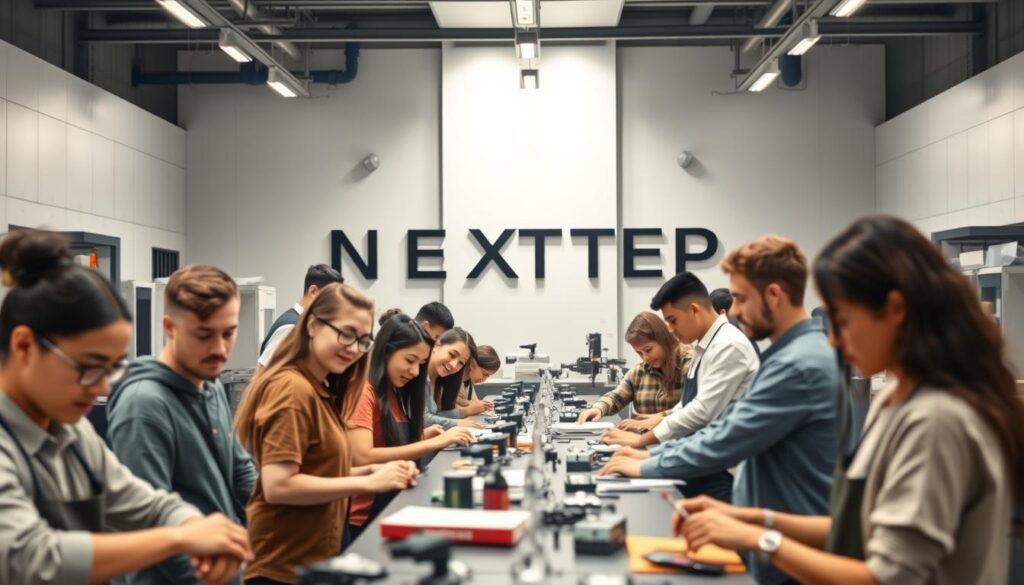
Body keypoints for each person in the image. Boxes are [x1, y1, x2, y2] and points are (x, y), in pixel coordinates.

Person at [672, 217, 1024, 585]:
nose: (835, 341)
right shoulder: (895, 397)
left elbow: (885, 577)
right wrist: (750, 519)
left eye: (843, 321)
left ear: (895, 309)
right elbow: (862, 528)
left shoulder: (937, 419)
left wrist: (761, 539)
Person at [0, 231, 252, 585]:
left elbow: (145, 502)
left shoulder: (70, 432)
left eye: (113, 368)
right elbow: (30, 559)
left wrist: (194, 526)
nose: (104, 387)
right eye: (90, 366)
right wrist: (179, 539)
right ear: (25, 346)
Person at [599, 235, 839, 585]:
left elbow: (723, 435)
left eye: (740, 298)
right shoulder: (789, 355)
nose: (734, 310)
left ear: (774, 294)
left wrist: (647, 462)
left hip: (791, 550)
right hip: (776, 529)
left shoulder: (797, 364)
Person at [234, 283, 419, 584]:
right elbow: (279, 485)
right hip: (283, 569)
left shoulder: (320, 388)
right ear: (312, 325)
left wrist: (371, 469)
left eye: (363, 341)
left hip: (314, 560)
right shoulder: (291, 389)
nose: (354, 348)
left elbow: (315, 466)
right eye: (346, 334)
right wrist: (368, 481)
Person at [108, 265, 258, 585]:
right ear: (169, 328)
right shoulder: (144, 407)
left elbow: (241, 472)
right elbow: (147, 525)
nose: (219, 349)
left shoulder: (210, 383)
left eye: (228, 333)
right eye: (203, 335)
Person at [600, 274, 759, 502]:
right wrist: (650, 452)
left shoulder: (728, 346)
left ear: (694, 310)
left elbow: (701, 412)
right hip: (700, 459)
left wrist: (642, 442)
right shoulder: (705, 346)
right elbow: (686, 406)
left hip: (724, 473)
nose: (671, 330)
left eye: (673, 320)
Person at [347, 314, 477, 541]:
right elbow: (362, 456)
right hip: (364, 516)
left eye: (420, 364)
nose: (416, 372)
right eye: (409, 360)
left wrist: (423, 436)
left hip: (393, 500)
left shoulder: (395, 392)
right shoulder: (363, 393)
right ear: (386, 351)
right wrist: (434, 441)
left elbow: (390, 441)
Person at [577, 312, 691, 425]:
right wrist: (598, 409)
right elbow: (616, 397)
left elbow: (695, 410)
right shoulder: (639, 372)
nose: (645, 357)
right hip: (644, 441)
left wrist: (658, 419)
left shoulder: (690, 366)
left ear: (664, 340)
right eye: (639, 353)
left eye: (648, 350)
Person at [257, 264, 344, 370]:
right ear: (313, 292)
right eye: (332, 298)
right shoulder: (290, 328)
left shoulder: (304, 325)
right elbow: (262, 373)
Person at [423, 328, 481, 430]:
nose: (454, 365)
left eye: (461, 363)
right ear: (437, 345)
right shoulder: (418, 375)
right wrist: (457, 423)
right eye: (452, 355)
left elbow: (437, 415)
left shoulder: (441, 381)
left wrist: (465, 417)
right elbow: (423, 419)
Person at [455, 345, 500, 416]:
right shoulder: (453, 378)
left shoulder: (468, 382)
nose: (485, 379)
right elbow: (446, 411)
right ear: (472, 364)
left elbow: (474, 402)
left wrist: (483, 406)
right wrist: (470, 408)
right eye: (485, 374)